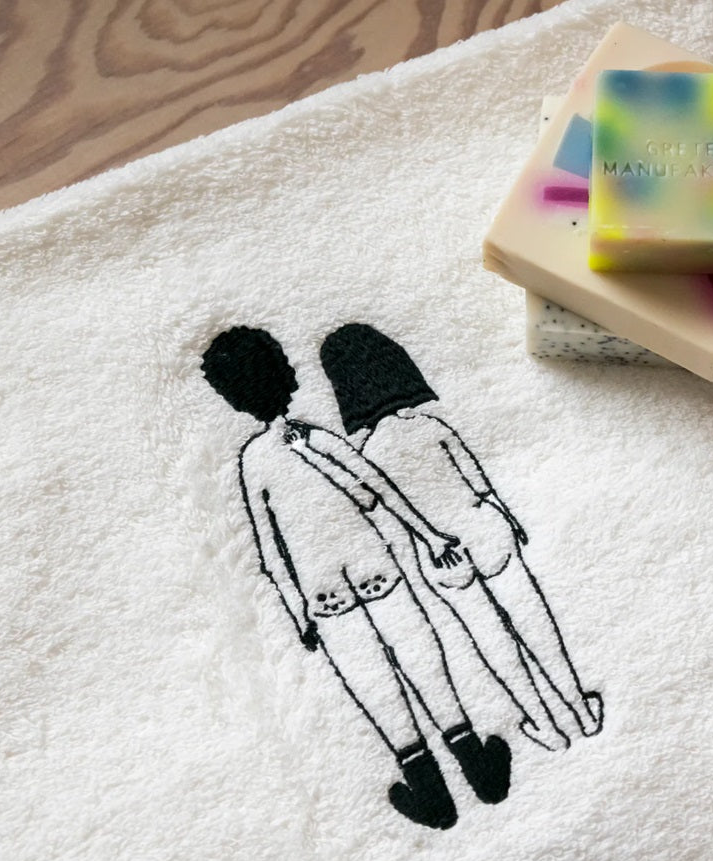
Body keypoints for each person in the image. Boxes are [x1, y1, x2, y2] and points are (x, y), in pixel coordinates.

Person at [201, 326, 510, 830]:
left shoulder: (253, 464)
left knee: (375, 686)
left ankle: (431, 796)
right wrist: (429, 536)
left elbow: (272, 552)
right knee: (424, 663)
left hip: (325, 598)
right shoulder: (316, 439)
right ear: (283, 373)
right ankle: (482, 771)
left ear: (233, 397)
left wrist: (300, 614)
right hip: (377, 573)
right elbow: (378, 489)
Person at [318, 324, 604, 743]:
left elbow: (385, 510)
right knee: (533, 619)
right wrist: (508, 518)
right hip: (483, 527)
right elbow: (478, 481)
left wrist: (429, 540)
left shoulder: (369, 455)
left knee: (488, 636)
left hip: (438, 554)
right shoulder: (431, 427)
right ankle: (581, 711)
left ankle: (545, 726)